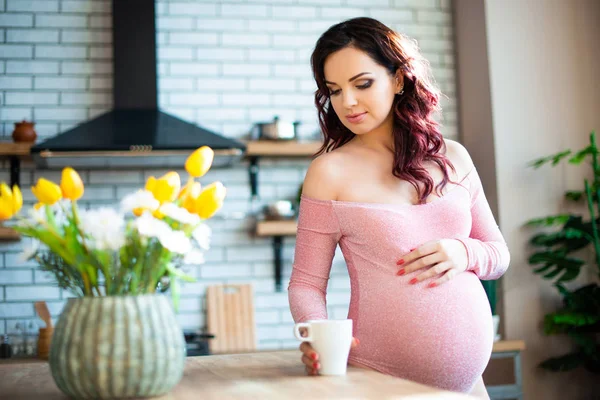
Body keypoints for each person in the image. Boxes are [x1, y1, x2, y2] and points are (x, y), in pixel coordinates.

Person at [287, 17, 510, 399]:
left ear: (398, 79)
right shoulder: (329, 172)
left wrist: (463, 250)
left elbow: (498, 254)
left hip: (470, 387)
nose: (348, 102)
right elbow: (306, 284)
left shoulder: (454, 158)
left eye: (362, 84)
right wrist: (318, 338)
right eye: (334, 91)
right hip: (378, 382)